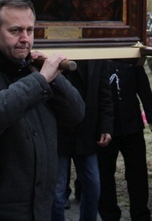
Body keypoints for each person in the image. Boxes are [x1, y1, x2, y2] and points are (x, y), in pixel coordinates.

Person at [0, 0, 85, 220]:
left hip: (39, 206)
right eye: (15, 31)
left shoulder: (33, 69)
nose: (25, 39)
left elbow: (76, 113)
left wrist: (54, 79)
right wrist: (41, 80)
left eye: (30, 30)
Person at [97, 59, 152, 221]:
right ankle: (109, 215)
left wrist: (151, 114)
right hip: (105, 127)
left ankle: (140, 215)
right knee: (105, 173)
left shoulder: (131, 60)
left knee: (137, 173)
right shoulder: (98, 60)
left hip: (132, 125)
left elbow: (143, 87)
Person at [51, 59, 113, 221]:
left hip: (86, 134)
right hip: (59, 133)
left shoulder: (97, 57)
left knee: (93, 187)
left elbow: (104, 92)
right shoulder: (54, 53)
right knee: (57, 192)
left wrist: (105, 126)